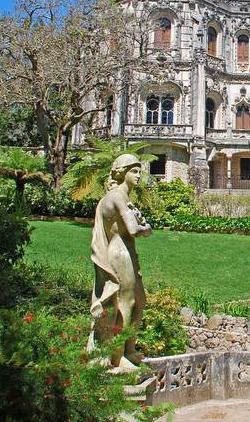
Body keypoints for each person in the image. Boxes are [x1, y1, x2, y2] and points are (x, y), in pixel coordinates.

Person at [87, 154, 153, 374]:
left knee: (139, 301)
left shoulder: (124, 197)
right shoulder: (117, 197)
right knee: (125, 302)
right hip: (119, 252)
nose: (139, 175)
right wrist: (146, 228)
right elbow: (134, 229)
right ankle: (118, 355)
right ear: (122, 172)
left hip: (128, 250)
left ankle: (129, 348)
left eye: (139, 171)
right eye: (134, 171)